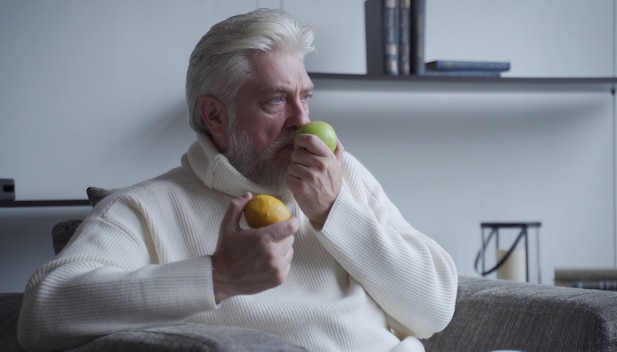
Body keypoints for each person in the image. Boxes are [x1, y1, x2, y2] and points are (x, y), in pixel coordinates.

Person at [17, 8, 457, 352]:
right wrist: (218, 276)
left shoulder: (341, 174)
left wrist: (334, 211)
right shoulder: (146, 208)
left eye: (305, 97)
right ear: (215, 115)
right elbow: (42, 312)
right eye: (275, 101)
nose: (303, 121)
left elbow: (434, 309)